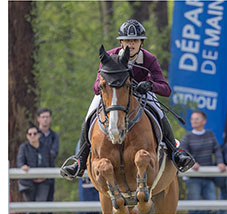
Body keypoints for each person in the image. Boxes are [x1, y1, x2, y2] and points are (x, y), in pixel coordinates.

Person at [60, 19, 194, 180]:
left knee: (159, 113)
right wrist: (105, 85)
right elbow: (96, 87)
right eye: (127, 40)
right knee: (89, 116)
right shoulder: (109, 56)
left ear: (141, 43)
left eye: (135, 40)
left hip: (140, 94)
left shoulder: (149, 59)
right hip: (112, 95)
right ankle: (80, 161)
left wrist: (150, 85)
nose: (131, 44)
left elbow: (166, 89)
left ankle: (176, 154)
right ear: (121, 42)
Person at [179, 111, 227, 214]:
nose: (193, 121)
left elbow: (216, 150)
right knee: (194, 204)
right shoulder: (187, 137)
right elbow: (182, 153)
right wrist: (192, 162)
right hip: (193, 178)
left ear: (204, 121)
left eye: (197, 119)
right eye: (192, 119)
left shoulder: (210, 135)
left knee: (211, 205)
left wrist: (220, 162)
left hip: (208, 176)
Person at [16, 125, 56, 214]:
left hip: (44, 181)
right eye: (30, 134)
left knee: (41, 205)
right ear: (27, 136)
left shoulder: (45, 147)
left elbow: (50, 163)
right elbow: (20, 162)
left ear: (39, 135)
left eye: (34, 133)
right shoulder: (23, 148)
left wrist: (45, 175)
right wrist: (23, 167)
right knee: (30, 207)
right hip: (28, 182)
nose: (32, 136)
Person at [36, 108, 59, 214]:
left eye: (47, 117)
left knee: (49, 201)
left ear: (50, 119)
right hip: (35, 175)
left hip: (49, 173)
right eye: (43, 117)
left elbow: (53, 153)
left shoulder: (54, 135)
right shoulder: (33, 133)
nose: (45, 119)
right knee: (35, 203)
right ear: (38, 118)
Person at [73, 139, 101, 214]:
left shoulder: (100, 139)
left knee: (97, 203)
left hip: (97, 177)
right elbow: (78, 156)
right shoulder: (82, 140)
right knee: (84, 203)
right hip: (86, 178)